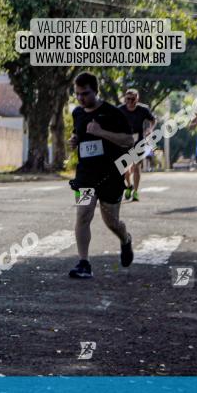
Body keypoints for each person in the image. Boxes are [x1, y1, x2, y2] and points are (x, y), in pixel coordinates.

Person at [67, 72, 135, 279]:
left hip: (110, 177)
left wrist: (101, 132)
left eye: (85, 94)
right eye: (77, 94)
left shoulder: (113, 113)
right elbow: (78, 133)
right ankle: (84, 263)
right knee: (83, 214)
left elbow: (128, 141)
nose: (81, 98)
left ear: (96, 91)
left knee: (112, 222)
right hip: (86, 177)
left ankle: (125, 239)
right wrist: (75, 140)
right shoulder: (77, 113)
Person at [117, 88, 156, 201]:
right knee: (124, 168)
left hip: (138, 141)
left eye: (132, 99)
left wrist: (150, 129)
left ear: (137, 99)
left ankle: (136, 192)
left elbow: (153, 120)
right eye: (127, 99)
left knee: (136, 166)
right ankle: (129, 186)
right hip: (124, 141)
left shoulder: (143, 109)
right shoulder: (120, 109)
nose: (129, 101)